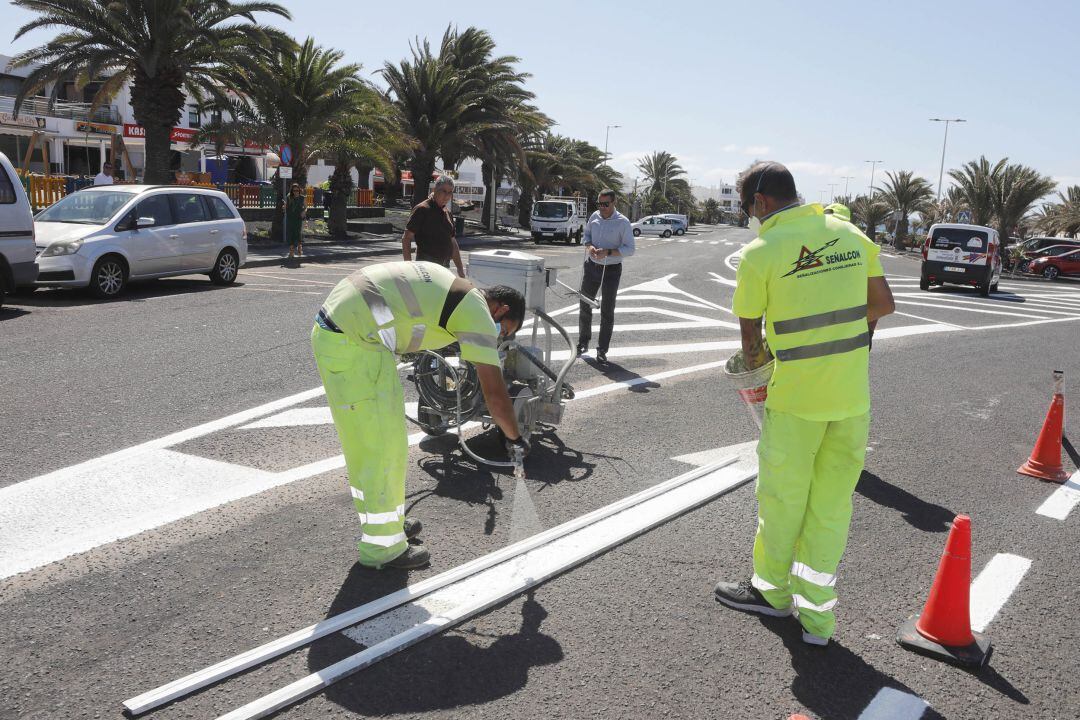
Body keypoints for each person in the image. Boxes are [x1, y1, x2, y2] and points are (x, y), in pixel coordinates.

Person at [714, 161, 895, 646]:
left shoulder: (761, 253)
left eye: (749, 207)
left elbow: (751, 339)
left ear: (761, 202)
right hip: (852, 399)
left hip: (794, 402)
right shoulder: (853, 236)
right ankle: (818, 621)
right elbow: (882, 304)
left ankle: (771, 594)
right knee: (831, 508)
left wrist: (759, 376)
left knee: (782, 500)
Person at [311, 261, 530, 569]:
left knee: (376, 446)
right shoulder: (478, 314)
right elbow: (494, 396)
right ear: (500, 308)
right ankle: (384, 550)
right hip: (355, 343)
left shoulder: (458, 288)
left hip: (343, 329)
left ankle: (389, 524)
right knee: (381, 449)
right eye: (504, 329)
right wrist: (515, 438)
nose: (499, 335)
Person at [577, 189, 635, 366]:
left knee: (607, 311)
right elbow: (586, 236)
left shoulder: (623, 222)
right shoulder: (594, 216)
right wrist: (590, 247)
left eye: (605, 204)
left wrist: (608, 252)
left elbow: (630, 249)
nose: (602, 207)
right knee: (585, 305)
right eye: (599, 204)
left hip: (611, 270)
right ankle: (583, 342)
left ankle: (602, 349)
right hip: (592, 267)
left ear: (613, 202)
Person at [403, 175, 465, 277]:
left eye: (450, 192)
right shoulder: (422, 209)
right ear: (435, 189)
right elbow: (406, 238)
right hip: (426, 268)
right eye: (443, 191)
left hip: (444, 268)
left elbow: (453, 242)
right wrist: (409, 267)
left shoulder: (447, 213)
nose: (447, 196)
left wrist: (460, 270)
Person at [285, 183, 305, 260]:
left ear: (299, 190)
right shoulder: (289, 197)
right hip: (290, 218)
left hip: (298, 218)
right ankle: (291, 252)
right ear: (292, 191)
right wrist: (284, 207)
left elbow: (306, 207)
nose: (295, 192)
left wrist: (304, 211)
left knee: (297, 233)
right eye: (294, 190)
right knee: (290, 234)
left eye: (297, 190)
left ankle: (299, 246)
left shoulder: (302, 198)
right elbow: (287, 206)